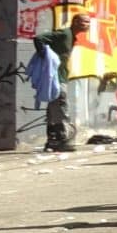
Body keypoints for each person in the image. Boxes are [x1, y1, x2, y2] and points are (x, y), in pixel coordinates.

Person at [32, 14, 91, 152]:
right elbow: (39, 39)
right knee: (61, 105)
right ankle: (64, 139)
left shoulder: (71, 36)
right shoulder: (65, 34)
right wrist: (45, 57)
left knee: (54, 108)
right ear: (76, 22)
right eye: (84, 22)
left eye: (89, 22)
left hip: (61, 76)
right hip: (56, 77)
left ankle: (53, 140)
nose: (87, 25)